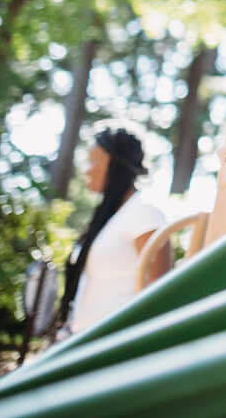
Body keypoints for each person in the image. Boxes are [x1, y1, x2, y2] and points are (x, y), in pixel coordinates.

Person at [57, 123, 169, 334]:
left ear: (114, 162)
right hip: (82, 340)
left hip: (115, 346)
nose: (86, 170)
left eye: (92, 161)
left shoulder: (145, 212)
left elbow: (160, 294)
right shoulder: (110, 217)